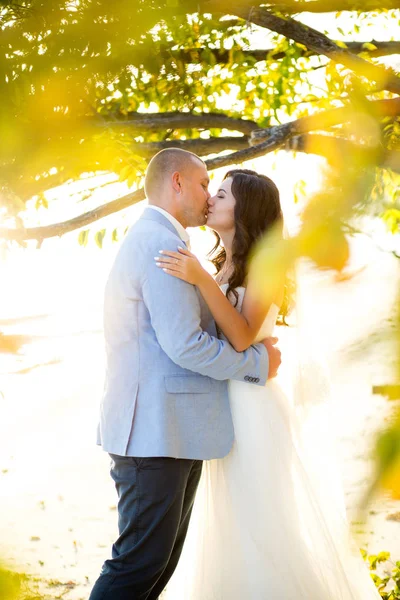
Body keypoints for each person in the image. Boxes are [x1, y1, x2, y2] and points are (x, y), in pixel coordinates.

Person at [158, 169, 382, 599]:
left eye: (220, 193)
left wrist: (200, 278)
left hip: (254, 408)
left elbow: (241, 336)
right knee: (229, 521)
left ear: (244, 208)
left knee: (261, 520)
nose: (210, 199)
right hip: (228, 402)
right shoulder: (225, 265)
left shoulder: (265, 262)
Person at [88, 150, 281, 600]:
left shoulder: (168, 242)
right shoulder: (162, 244)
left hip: (173, 429)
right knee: (138, 564)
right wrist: (257, 364)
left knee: (157, 562)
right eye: (203, 185)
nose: (208, 197)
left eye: (218, 190)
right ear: (177, 182)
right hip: (154, 431)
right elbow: (185, 345)